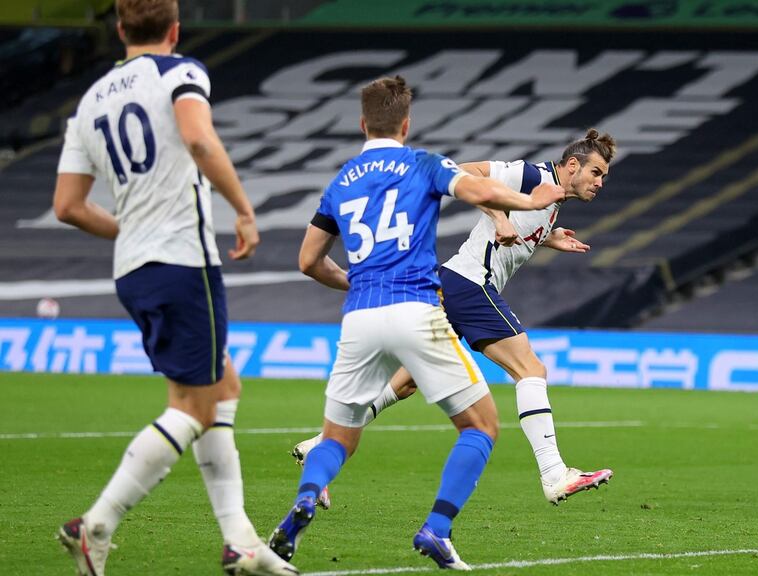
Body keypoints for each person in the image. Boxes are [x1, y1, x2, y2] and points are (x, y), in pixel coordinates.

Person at [266, 75, 564, 570]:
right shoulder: (424, 162)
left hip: (360, 316)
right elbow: (476, 187)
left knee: (337, 437)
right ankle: (437, 529)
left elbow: (308, 262)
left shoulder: (341, 179)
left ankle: (308, 494)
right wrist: (531, 203)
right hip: (419, 309)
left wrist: (356, 282)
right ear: (406, 123)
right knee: (481, 425)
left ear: (363, 124)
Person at [52, 1, 296, 574]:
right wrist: (242, 209)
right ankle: (98, 523)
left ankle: (240, 541)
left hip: (133, 268)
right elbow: (201, 140)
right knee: (195, 404)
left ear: (119, 29)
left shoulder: (89, 102)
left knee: (221, 383)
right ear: (175, 29)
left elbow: (66, 205)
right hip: (182, 260)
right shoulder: (179, 72)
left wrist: (128, 227)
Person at [291, 130, 615, 507]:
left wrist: (546, 237)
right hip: (470, 284)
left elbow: (518, 223)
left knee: (405, 383)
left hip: (453, 285)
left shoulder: (551, 198)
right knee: (531, 369)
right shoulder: (530, 175)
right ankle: (554, 473)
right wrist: (498, 218)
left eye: (604, 176)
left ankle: (320, 446)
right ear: (572, 165)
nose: (599, 182)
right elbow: (465, 173)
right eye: (596, 172)